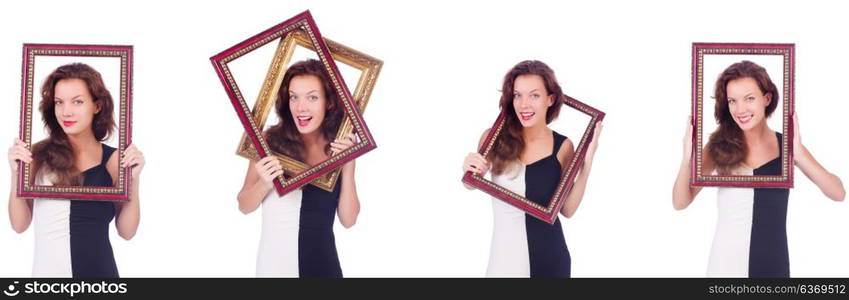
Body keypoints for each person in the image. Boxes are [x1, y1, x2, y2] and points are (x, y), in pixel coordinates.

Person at [672, 60, 845, 277]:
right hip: (726, 268)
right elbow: (680, 201)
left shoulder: (787, 146)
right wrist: (686, 159)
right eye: (732, 101)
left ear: (767, 98)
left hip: (773, 265)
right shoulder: (718, 147)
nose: (740, 109)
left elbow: (838, 193)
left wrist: (799, 155)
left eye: (749, 99)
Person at [463, 60, 602, 277]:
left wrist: (587, 161)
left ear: (551, 99)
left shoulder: (563, 147)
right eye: (518, 95)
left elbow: (567, 210)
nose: (524, 104)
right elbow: (472, 183)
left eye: (534, 95)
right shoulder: (494, 137)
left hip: (551, 261)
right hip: (504, 262)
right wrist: (469, 169)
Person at [7, 63, 144, 277]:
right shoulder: (36, 156)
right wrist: (15, 174)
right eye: (59, 102)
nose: (66, 112)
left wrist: (134, 180)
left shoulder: (114, 160)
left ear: (97, 105)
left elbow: (127, 232)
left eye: (77, 102)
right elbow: (19, 224)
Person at [237, 59, 360, 278]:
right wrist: (265, 183)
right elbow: (244, 205)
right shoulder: (267, 141)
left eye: (312, 97)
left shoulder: (338, 147)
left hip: (324, 267)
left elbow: (348, 220)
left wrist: (349, 165)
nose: (301, 107)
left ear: (328, 102)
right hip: (276, 268)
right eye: (294, 97)